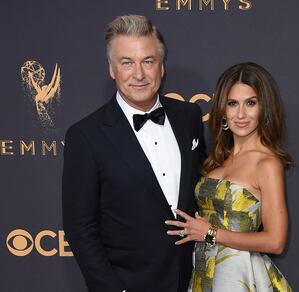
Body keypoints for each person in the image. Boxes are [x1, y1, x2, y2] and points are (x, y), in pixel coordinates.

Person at [62, 15, 205, 292]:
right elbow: (81, 230)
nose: (138, 74)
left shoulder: (189, 117)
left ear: (161, 67)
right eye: (127, 62)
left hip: (193, 282)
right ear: (112, 69)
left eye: (148, 61)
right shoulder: (85, 136)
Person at [166, 62, 293, 291]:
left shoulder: (267, 163)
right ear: (223, 110)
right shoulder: (217, 159)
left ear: (264, 108)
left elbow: (275, 242)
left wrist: (211, 233)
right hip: (204, 272)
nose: (241, 114)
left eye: (251, 103)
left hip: (237, 276)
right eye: (233, 104)